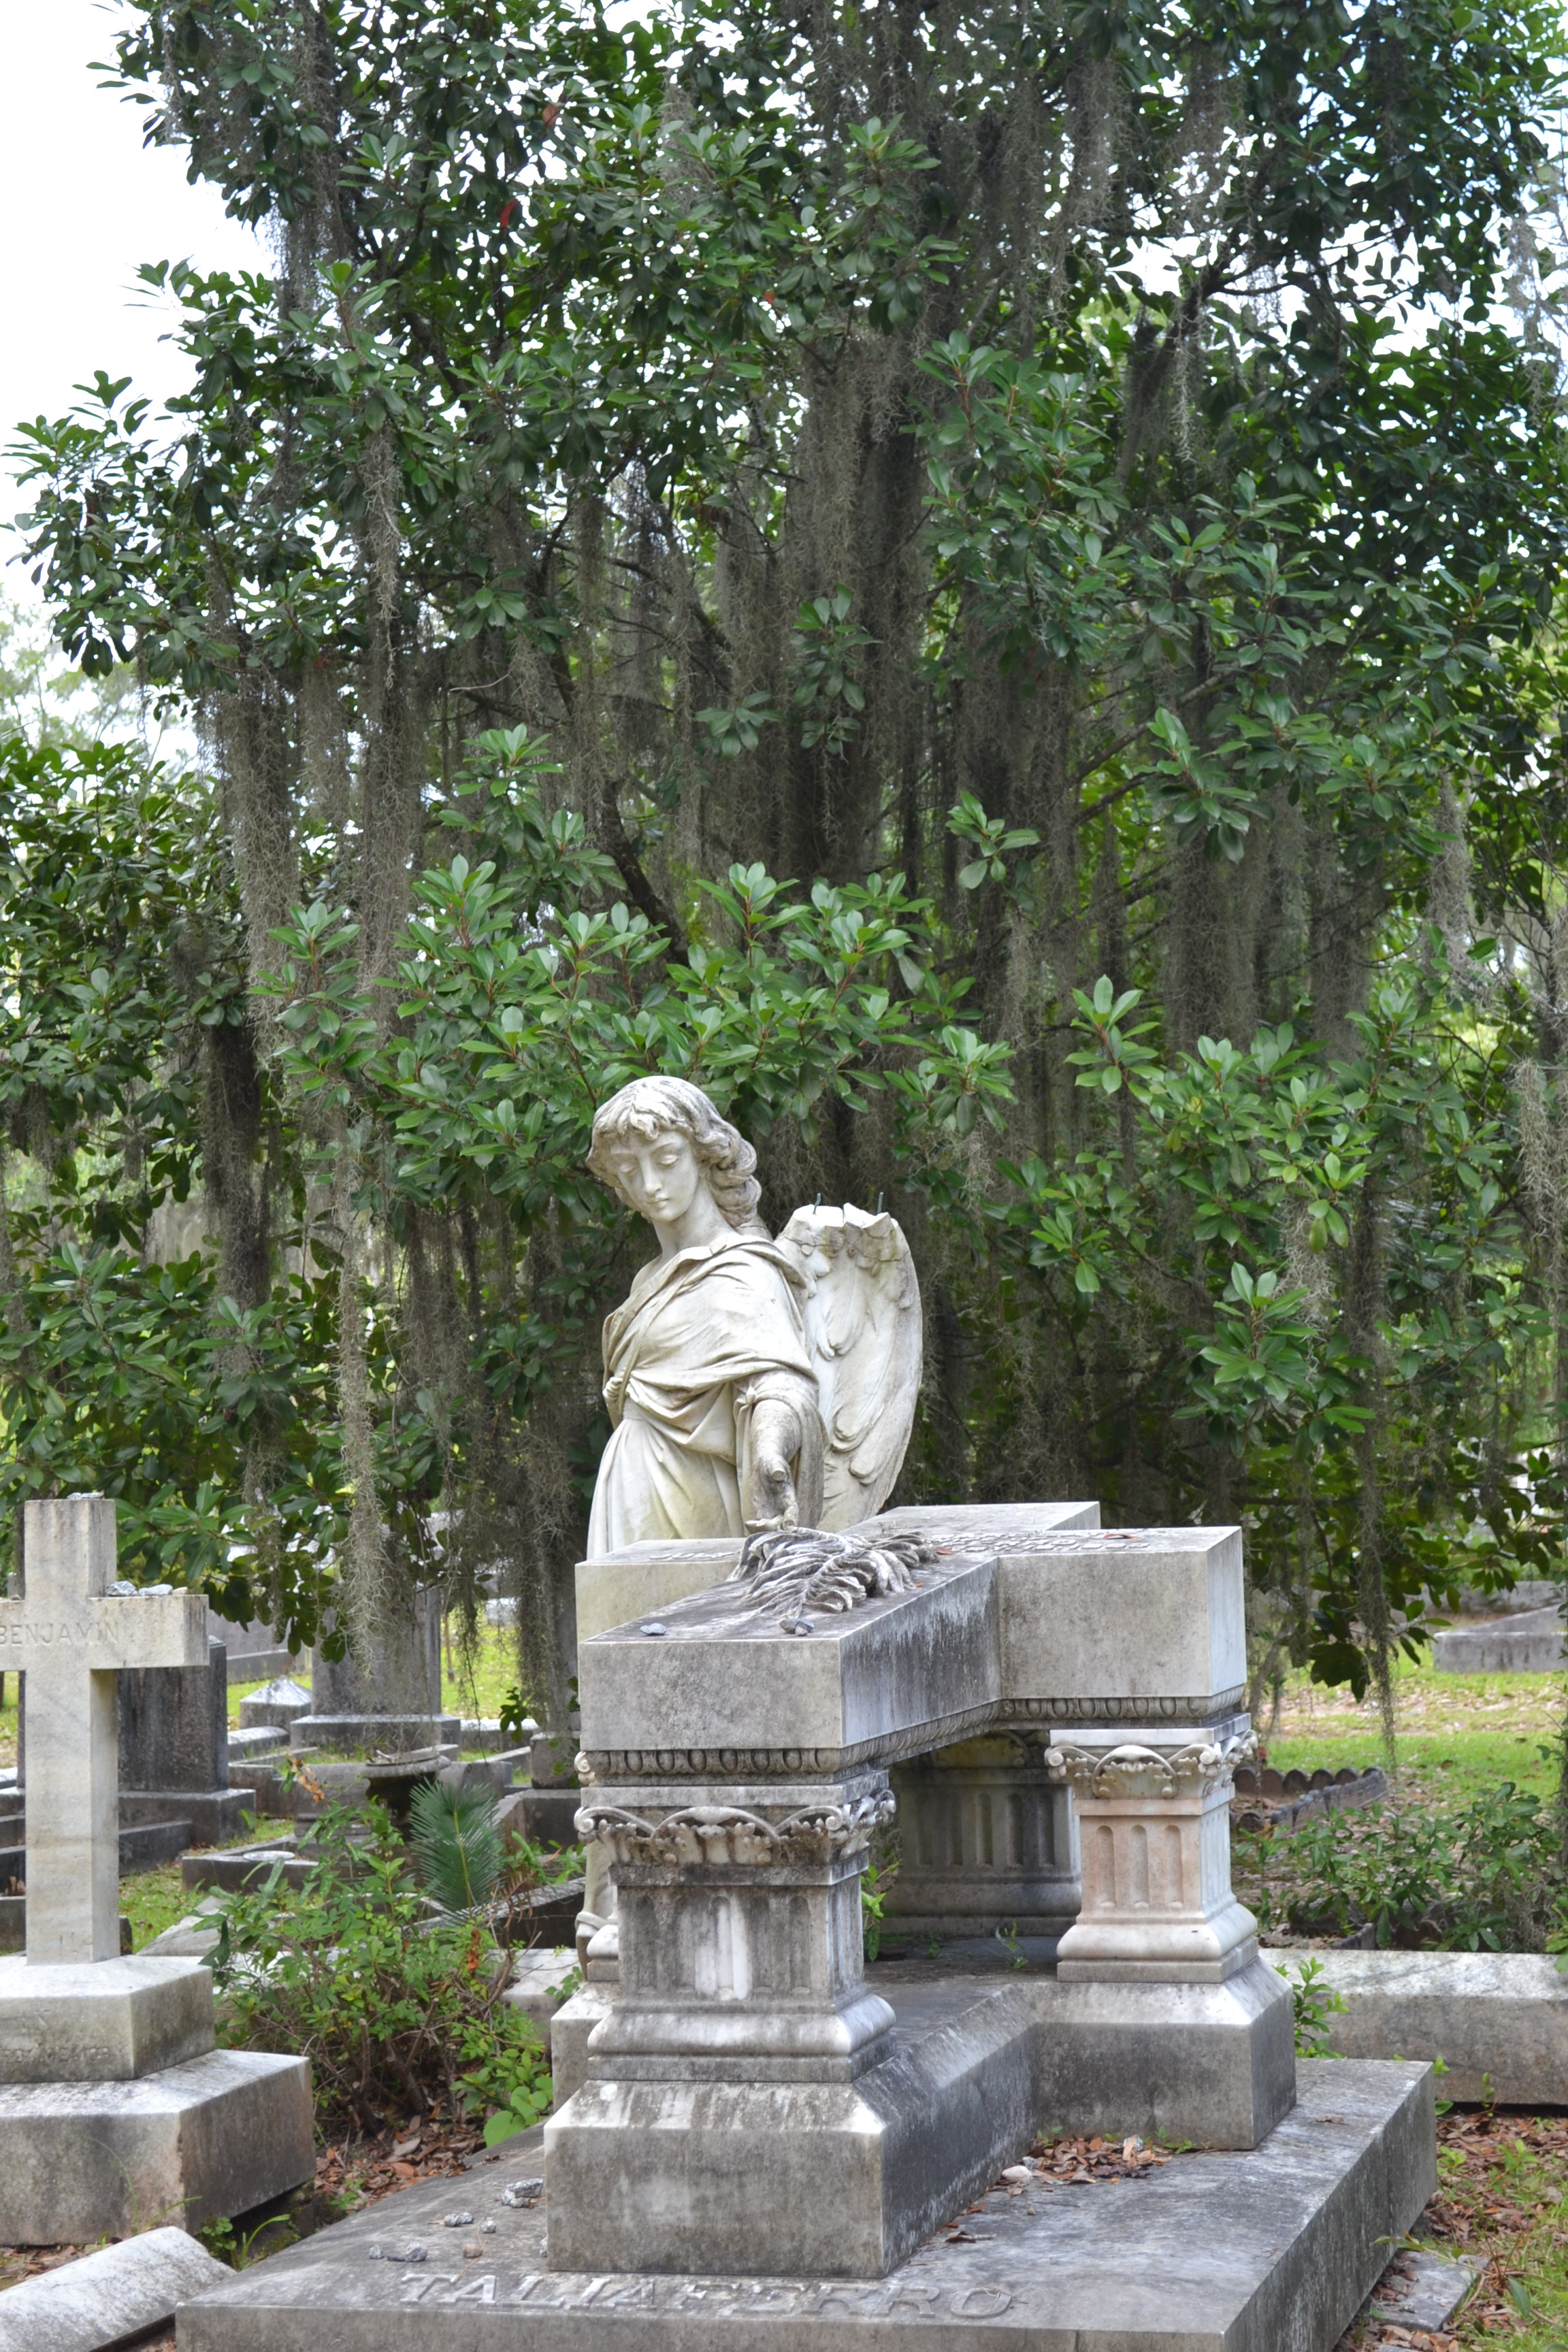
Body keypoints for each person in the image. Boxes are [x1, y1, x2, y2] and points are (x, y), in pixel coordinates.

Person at [584, 1075, 824, 1555]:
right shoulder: (647, 1279)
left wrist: (771, 1449)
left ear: (703, 1156)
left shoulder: (745, 1269)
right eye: (629, 1169)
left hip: (692, 1495)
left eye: (666, 1160)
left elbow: (781, 1383)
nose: (650, 1184)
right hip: (627, 1487)